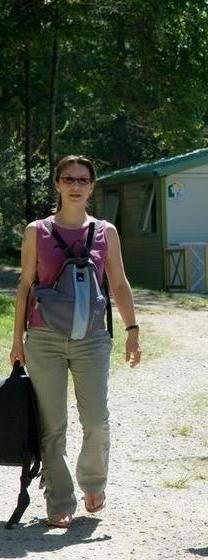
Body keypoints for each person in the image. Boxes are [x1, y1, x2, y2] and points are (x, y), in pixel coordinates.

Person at [9, 155, 142, 529]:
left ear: (92, 186)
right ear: (57, 184)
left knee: (96, 420)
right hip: (44, 338)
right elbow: (25, 286)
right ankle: (60, 500)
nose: (75, 185)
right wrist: (17, 340)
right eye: (68, 179)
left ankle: (94, 483)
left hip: (92, 338)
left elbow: (119, 284)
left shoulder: (105, 232)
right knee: (53, 425)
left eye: (83, 180)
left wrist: (132, 330)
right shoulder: (37, 231)